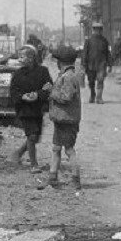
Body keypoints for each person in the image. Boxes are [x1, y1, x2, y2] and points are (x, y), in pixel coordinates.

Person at [42, 44, 83, 189]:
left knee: (68, 149)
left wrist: (51, 91)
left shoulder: (69, 77)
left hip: (67, 119)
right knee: (56, 148)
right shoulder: (67, 75)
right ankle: (53, 178)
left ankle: (75, 179)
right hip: (63, 118)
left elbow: (66, 97)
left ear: (62, 62)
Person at [9, 44, 53, 172]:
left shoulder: (43, 71)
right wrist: (23, 97)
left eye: (22, 56)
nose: (19, 59)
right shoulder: (17, 74)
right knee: (32, 136)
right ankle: (34, 165)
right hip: (24, 109)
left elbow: (49, 87)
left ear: (31, 58)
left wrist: (37, 95)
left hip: (38, 108)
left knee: (35, 136)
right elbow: (13, 92)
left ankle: (18, 153)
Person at [81, 22, 112, 104]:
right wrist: (83, 64)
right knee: (91, 82)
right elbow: (84, 53)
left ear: (101, 30)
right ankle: (92, 94)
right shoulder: (88, 41)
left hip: (101, 64)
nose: (98, 31)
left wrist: (110, 65)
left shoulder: (104, 41)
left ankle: (99, 97)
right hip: (90, 65)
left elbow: (108, 53)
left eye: (99, 29)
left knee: (100, 80)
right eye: (96, 29)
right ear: (93, 30)